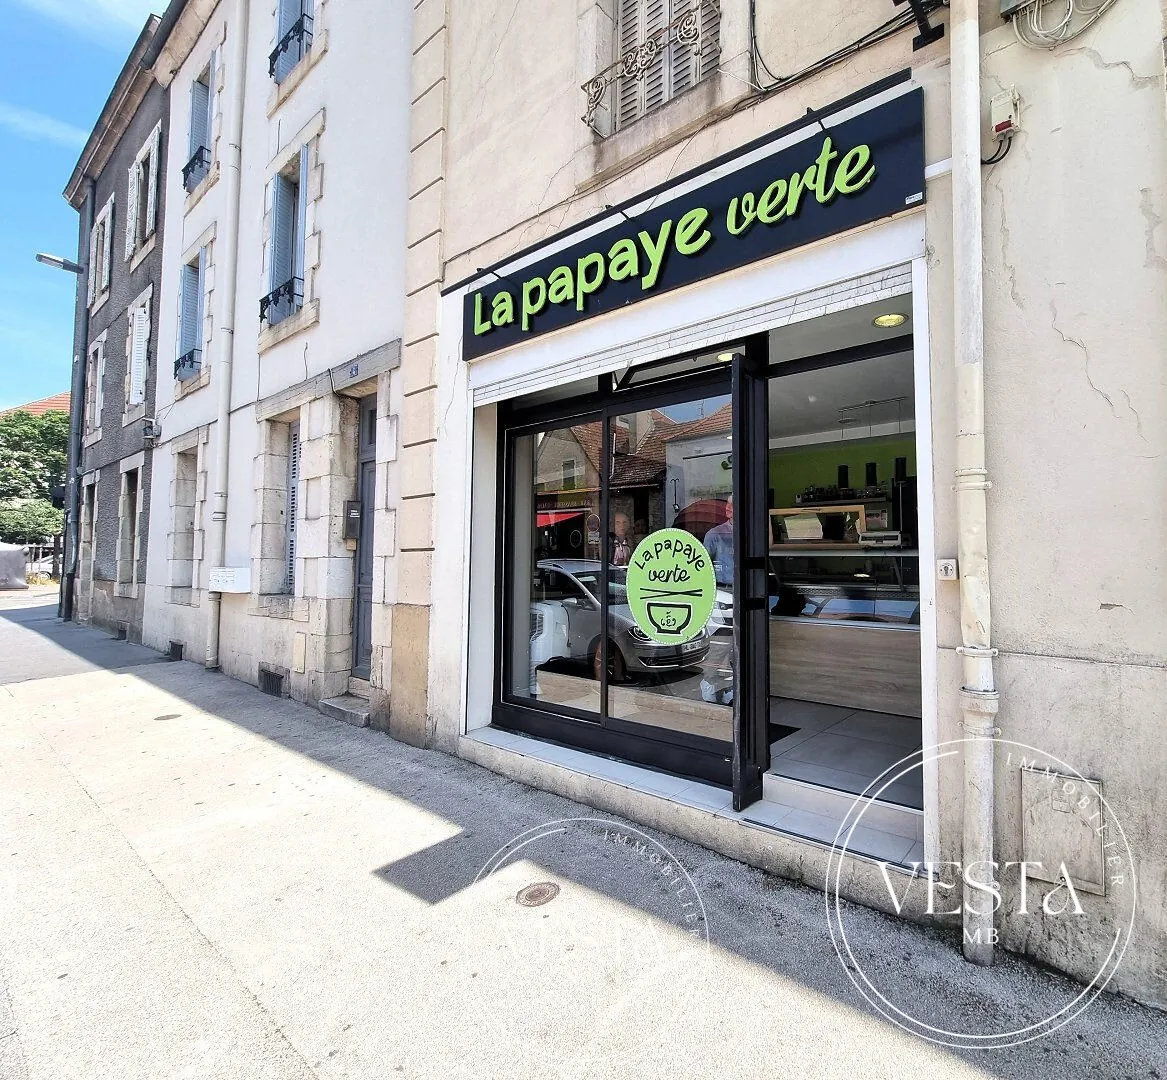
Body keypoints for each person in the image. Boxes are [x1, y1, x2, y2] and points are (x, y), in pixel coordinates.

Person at [702, 496, 734, 586]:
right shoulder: (715, 534)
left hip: (748, 588)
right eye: (727, 503)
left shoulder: (752, 532)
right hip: (723, 588)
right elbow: (704, 565)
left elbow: (768, 546)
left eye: (733, 504)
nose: (728, 507)